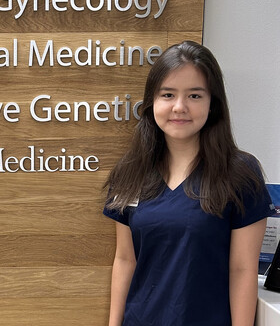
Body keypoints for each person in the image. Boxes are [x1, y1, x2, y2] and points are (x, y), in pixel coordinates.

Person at [103, 41, 275, 326]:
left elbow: (242, 269)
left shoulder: (240, 173)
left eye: (194, 95)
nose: (179, 107)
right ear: (152, 102)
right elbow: (125, 260)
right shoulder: (129, 173)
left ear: (213, 104)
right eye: (168, 94)